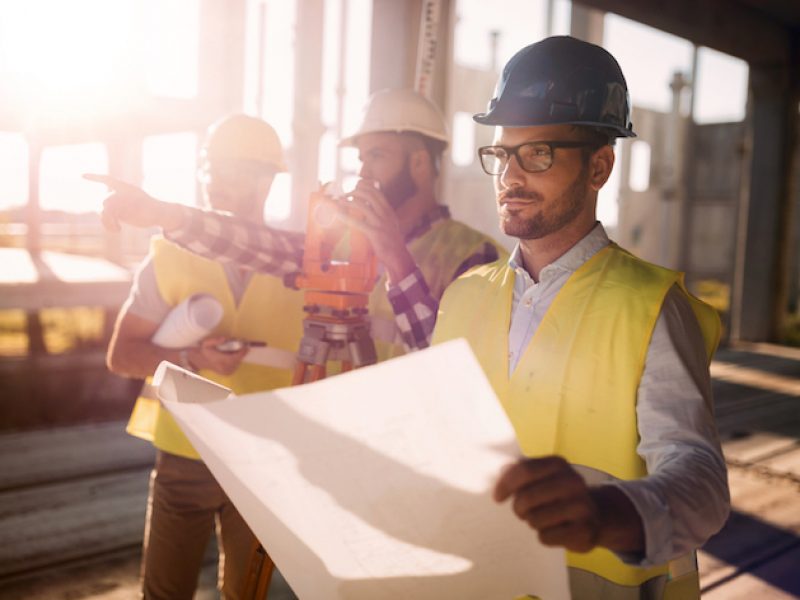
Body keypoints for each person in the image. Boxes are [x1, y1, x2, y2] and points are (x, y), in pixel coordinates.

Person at [431, 36, 730, 599]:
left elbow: (702, 483)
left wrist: (605, 513)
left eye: (538, 153)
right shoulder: (464, 297)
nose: (511, 177)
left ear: (599, 166)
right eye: (501, 154)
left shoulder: (651, 306)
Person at [92, 88, 507, 356]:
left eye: (377, 155)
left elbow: (459, 363)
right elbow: (261, 245)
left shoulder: (475, 255)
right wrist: (164, 214)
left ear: (419, 163)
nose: (363, 172)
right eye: (360, 158)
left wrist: (395, 257)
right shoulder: (348, 244)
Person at [104, 115, 304, 599]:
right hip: (184, 453)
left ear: (267, 179)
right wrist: (192, 357)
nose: (217, 182)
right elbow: (122, 355)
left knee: (246, 595)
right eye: (211, 170)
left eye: (232, 170)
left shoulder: (299, 262)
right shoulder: (169, 256)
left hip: (264, 456)